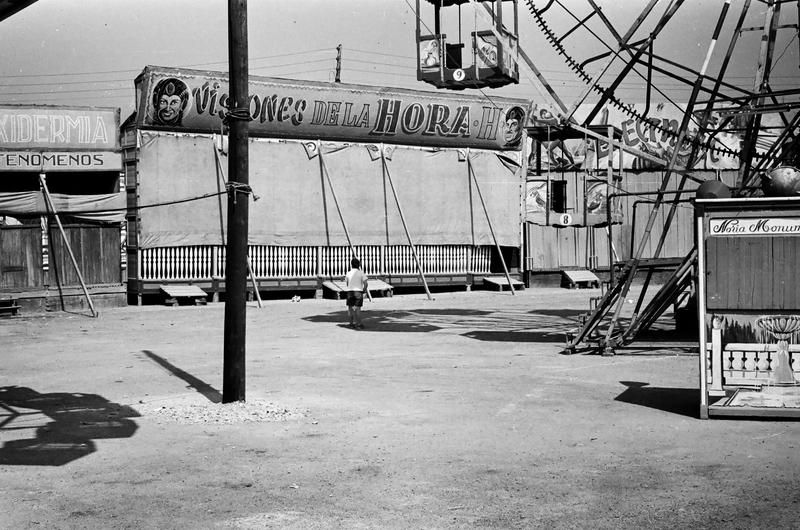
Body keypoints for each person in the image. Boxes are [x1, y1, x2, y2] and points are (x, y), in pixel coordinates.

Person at [344, 257, 368, 329]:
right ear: (359, 265)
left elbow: (347, 283)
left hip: (350, 292)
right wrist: (364, 290)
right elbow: (366, 283)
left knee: (350, 309)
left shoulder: (348, 273)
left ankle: (351, 324)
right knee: (357, 309)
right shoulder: (361, 273)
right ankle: (358, 324)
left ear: (351, 265)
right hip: (358, 292)